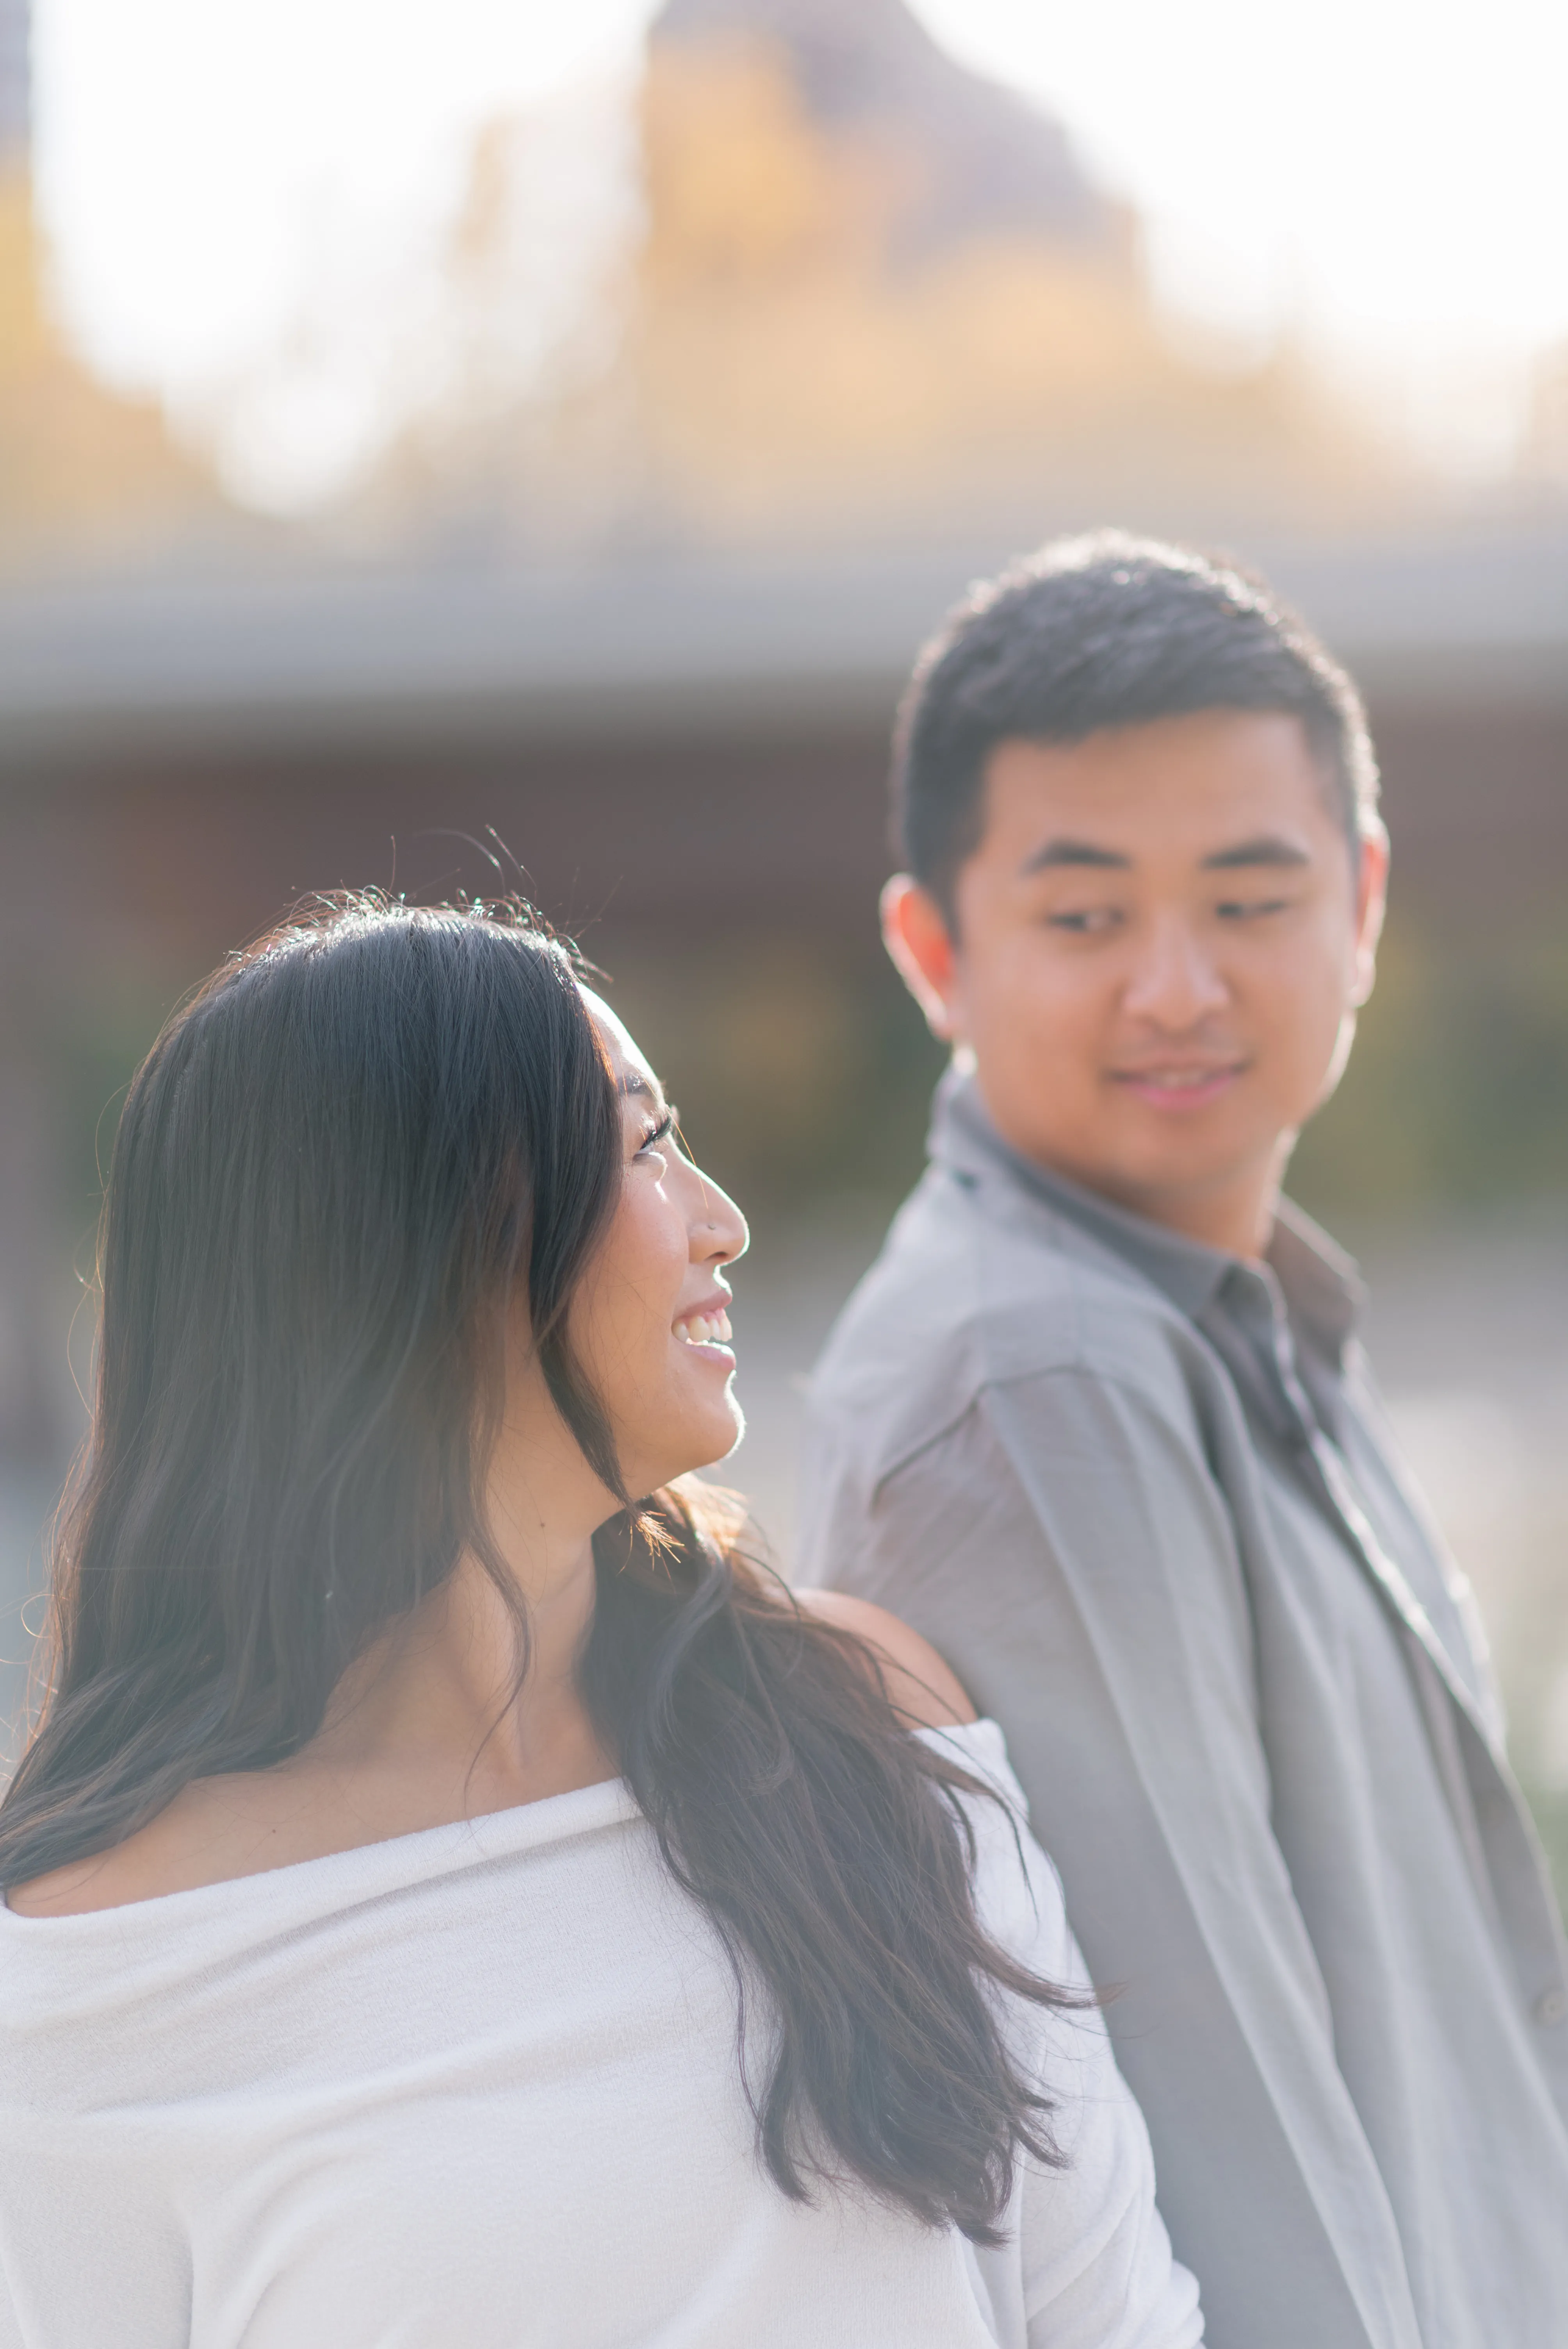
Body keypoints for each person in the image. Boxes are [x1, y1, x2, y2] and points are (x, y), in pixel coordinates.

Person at [0, 895, 1200, 2349]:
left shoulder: (862, 1718)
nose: (721, 1219)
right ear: (413, 1245)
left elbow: (1111, 2317)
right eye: (638, 1147)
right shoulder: (89, 1981)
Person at [798, 533, 1568, 2349]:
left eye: (1244, 897)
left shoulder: (1230, 1312)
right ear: (932, 947)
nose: (1174, 986)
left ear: (1361, 901)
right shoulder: (1041, 1379)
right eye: (1081, 917)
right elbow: (1214, 2133)